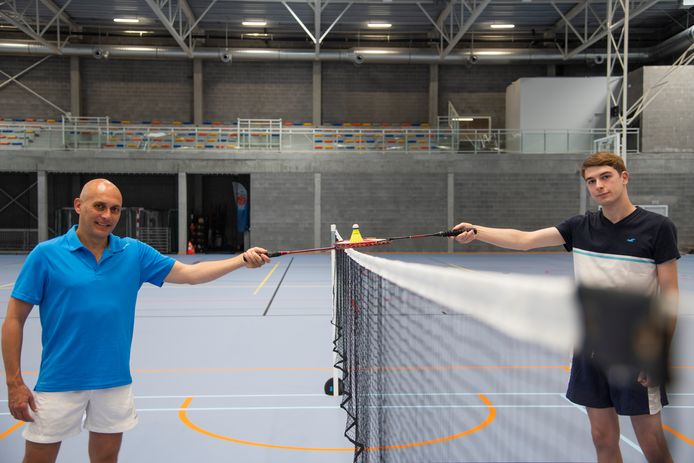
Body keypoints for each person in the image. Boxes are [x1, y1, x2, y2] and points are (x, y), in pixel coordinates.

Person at [1, 179, 271, 463]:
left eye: (115, 209)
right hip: (58, 381)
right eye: (99, 206)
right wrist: (14, 382)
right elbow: (14, 320)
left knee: (106, 460)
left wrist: (241, 259)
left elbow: (191, 274)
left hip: (114, 381)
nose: (107, 216)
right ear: (79, 206)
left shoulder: (133, 253)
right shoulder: (46, 255)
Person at [452, 152, 679, 463]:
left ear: (624, 177)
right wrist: (477, 230)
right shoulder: (580, 227)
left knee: (651, 443)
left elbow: (669, 295)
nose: (599, 185)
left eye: (605, 177)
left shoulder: (657, 228)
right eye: (591, 181)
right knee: (602, 438)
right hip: (590, 346)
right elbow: (524, 240)